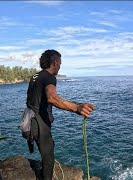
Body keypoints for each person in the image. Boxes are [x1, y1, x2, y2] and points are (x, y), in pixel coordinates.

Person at [26, 49, 96, 180]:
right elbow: (52, 97)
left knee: (46, 150)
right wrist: (76, 108)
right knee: (49, 156)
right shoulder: (49, 76)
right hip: (40, 123)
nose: (60, 66)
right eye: (60, 63)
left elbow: (37, 99)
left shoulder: (36, 76)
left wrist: (78, 103)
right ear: (55, 62)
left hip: (30, 121)